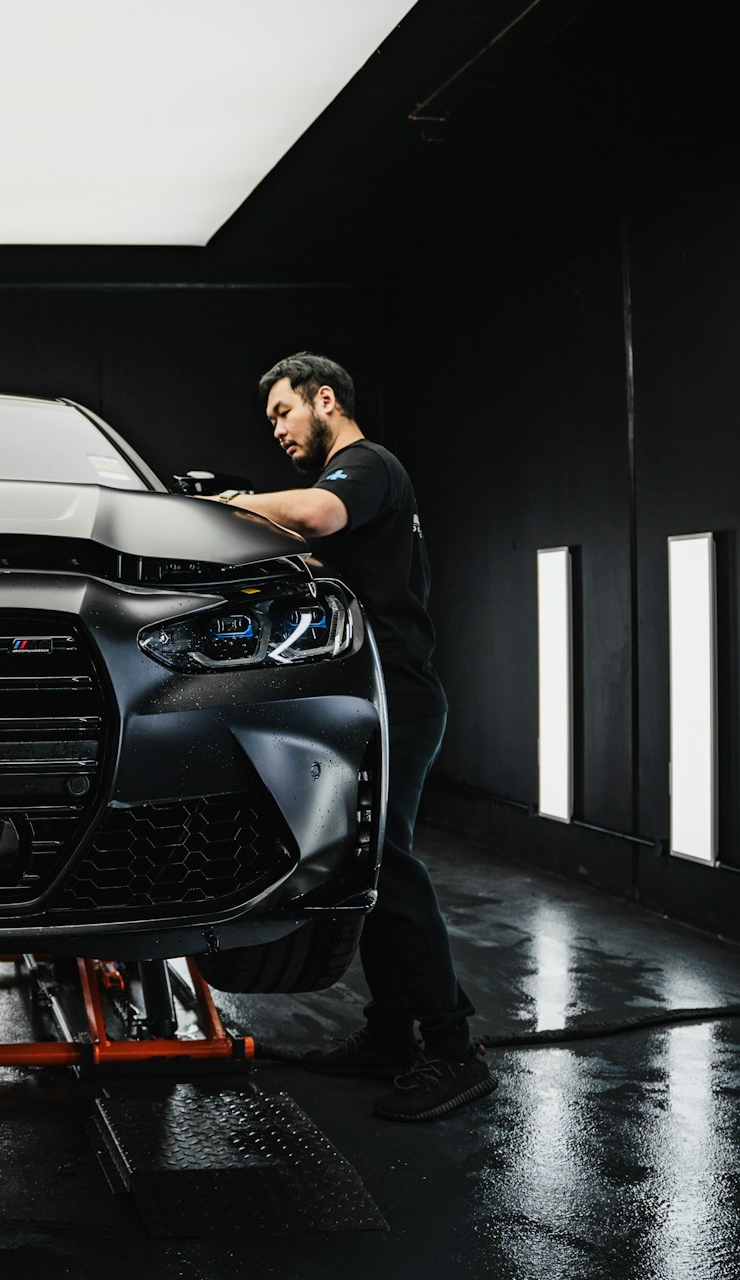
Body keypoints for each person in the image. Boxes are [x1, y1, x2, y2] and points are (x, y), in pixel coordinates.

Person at [218, 351, 495, 1123]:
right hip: (372, 696)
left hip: (397, 696)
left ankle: (453, 1049)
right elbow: (313, 550)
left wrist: (232, 504)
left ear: (326, 399)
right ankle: (391, 1033)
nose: (278, 429)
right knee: (362, 863)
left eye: (284, 412)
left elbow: (313, 515)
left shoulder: (364, 466)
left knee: (385, 863)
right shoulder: (358, 488)